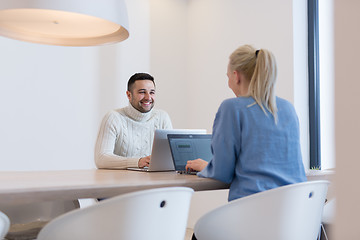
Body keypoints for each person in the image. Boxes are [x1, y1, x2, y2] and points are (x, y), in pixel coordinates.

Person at [186, 45, 307, 203]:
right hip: (294, 211)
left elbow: (222, 172)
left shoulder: (232, 108)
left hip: (253, 211)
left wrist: (205, 167)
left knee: (200, 228)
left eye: (228, 76)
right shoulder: (287, 109)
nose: (229, 82)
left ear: (236, 76)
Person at [95, 73, 172, 169]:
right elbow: (101, 159)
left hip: (154, 180)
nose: (148, 97)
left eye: (152, 92)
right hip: (121, 182)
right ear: (129, 95)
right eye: (142, 92)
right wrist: (138, 162)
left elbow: (170, 157)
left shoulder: (162, 117)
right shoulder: (113, 118)